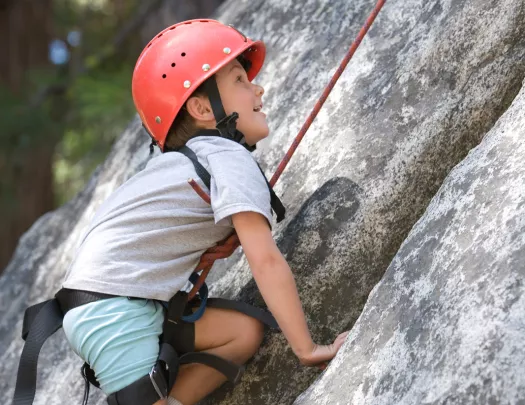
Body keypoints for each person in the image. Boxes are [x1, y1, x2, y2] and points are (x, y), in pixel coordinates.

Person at [60, 19, 348, 405]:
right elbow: (265, 261)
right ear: (201, 107)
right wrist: (308, 349)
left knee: (241, 333)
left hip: (110, 305)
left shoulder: (182, 166)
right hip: (115, 311)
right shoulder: (227, 157)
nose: (257, 87)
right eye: (239, 81)